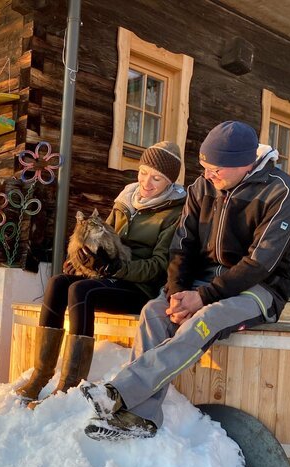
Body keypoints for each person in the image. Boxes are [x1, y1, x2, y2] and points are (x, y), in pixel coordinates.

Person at [80, 120, 290, 440]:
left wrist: (203, 298)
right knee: (153, 312)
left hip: (258, 288)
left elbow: (259, 263)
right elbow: (181, 245)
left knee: (206, 318)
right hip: (201, 282)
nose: (208, 176)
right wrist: (177, 292)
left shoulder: (281, 191)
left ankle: (120, 391)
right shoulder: (202, 187)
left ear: (245, 164)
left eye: (216, 170)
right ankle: (141, 417)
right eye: (205, 167)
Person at [16, 141, 187, 406]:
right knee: (59, 282)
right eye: (143, 172)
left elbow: (158, 266)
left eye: (157, 178)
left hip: (139, 288)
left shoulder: (174, 213)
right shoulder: (125, 201)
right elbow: (102, 238)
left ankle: (69, 385)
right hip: (111, 276)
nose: (147, 183)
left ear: (169, 182)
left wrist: (118, 268)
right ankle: (41, 375)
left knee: (80, 290)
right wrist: (80, 261)